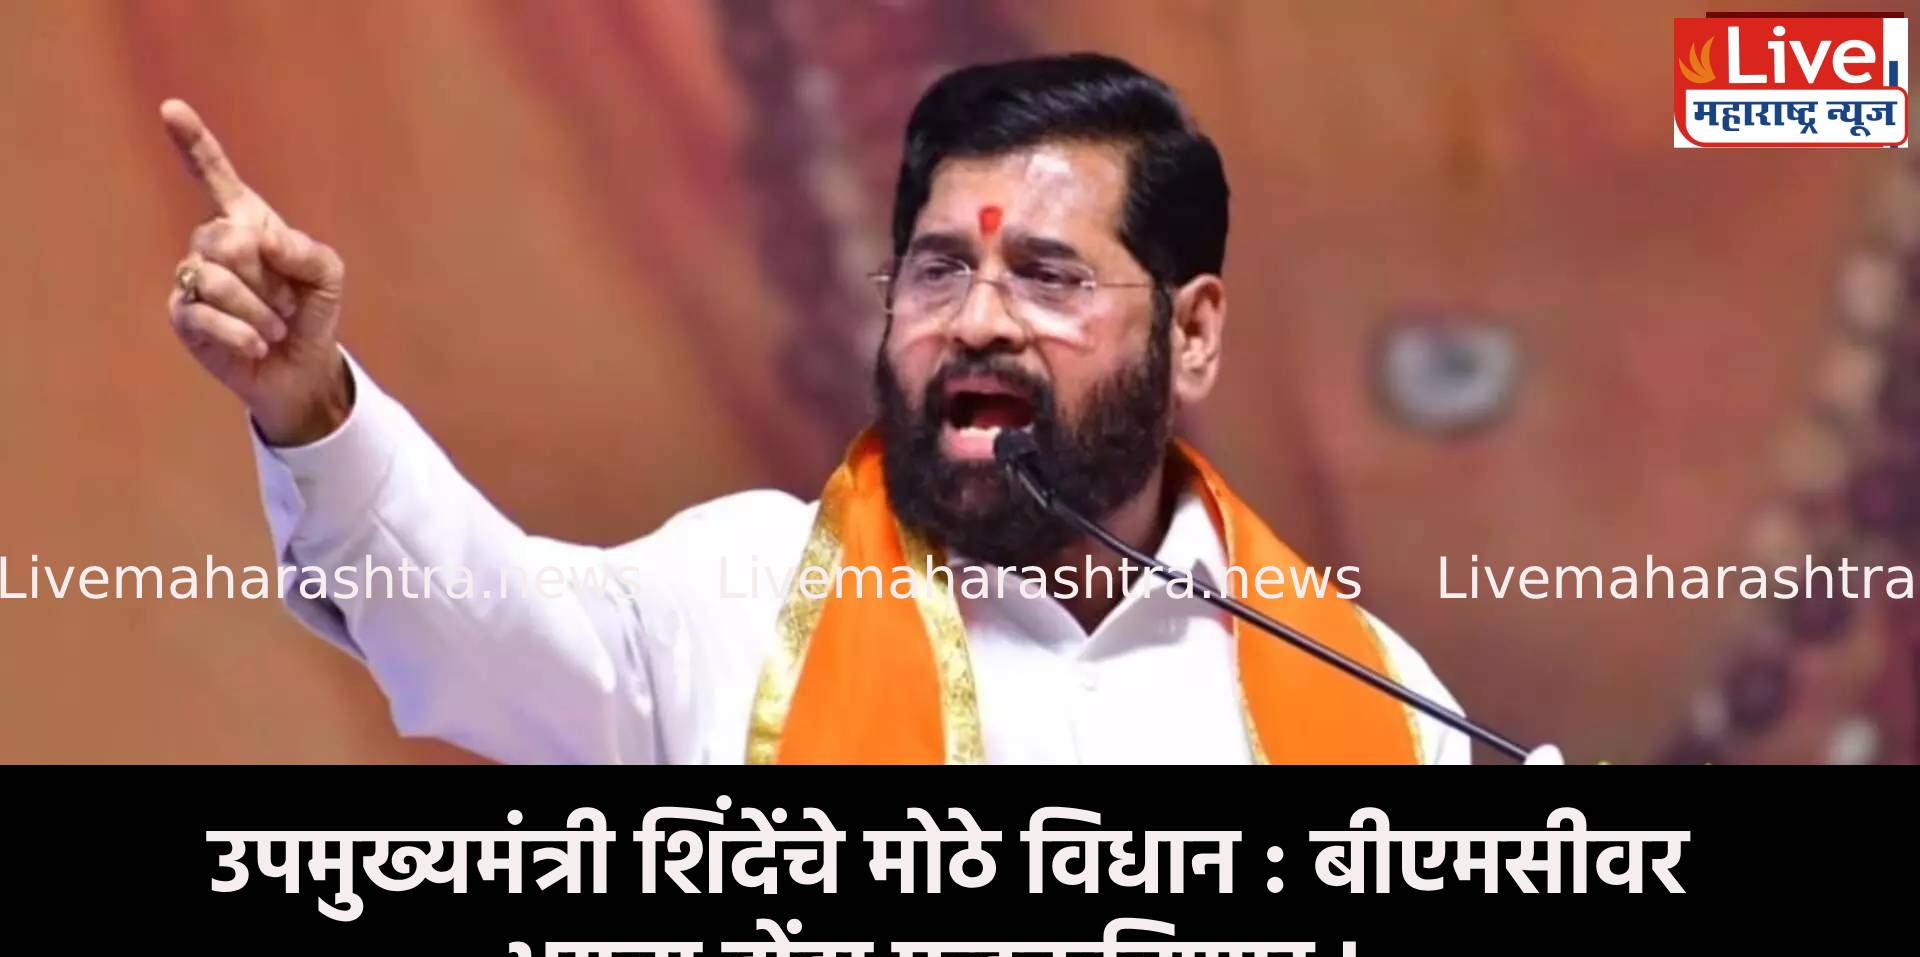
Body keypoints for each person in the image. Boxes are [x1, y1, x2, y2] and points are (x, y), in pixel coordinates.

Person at [161, 53, 1471, 765]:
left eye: (1048, 277)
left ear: (1191, 333)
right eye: (939, 270)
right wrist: (314, 405)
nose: (978, 320)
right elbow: (474, 626)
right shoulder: (739, 597)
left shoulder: (1374, 702)